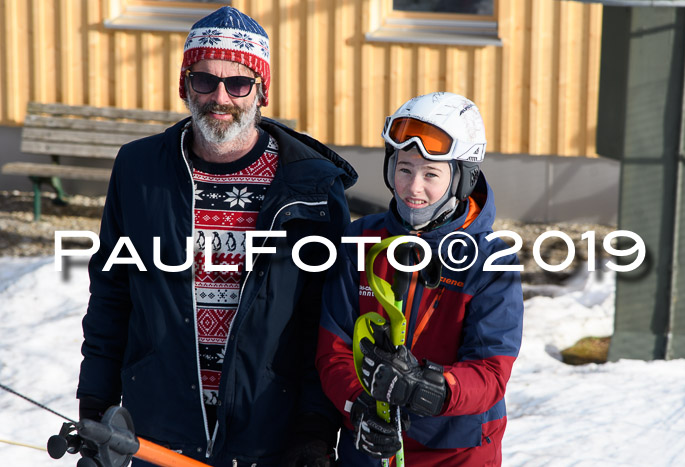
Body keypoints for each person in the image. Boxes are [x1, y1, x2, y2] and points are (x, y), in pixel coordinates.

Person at [77, 6, 356, 467]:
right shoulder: (139, 169)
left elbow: (327, 323)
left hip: (270, 430)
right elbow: (111, 294)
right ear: (185, 85)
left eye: (238, 83)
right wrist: (94, 404)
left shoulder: (312, 188)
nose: (220, 97)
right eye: (205, 80)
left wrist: (315, 432)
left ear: (262, 91)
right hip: (158, 429)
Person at [316, 92, 524, 466]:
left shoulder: (490, 261)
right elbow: (333, 349)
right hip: (369, 445)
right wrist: (359, 406)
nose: (413, 188)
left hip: (457, 450)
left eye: (431, 174)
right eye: (405, 168)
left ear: (462, 179)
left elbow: (491, 372)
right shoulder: (359, 243)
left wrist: (430, 387)